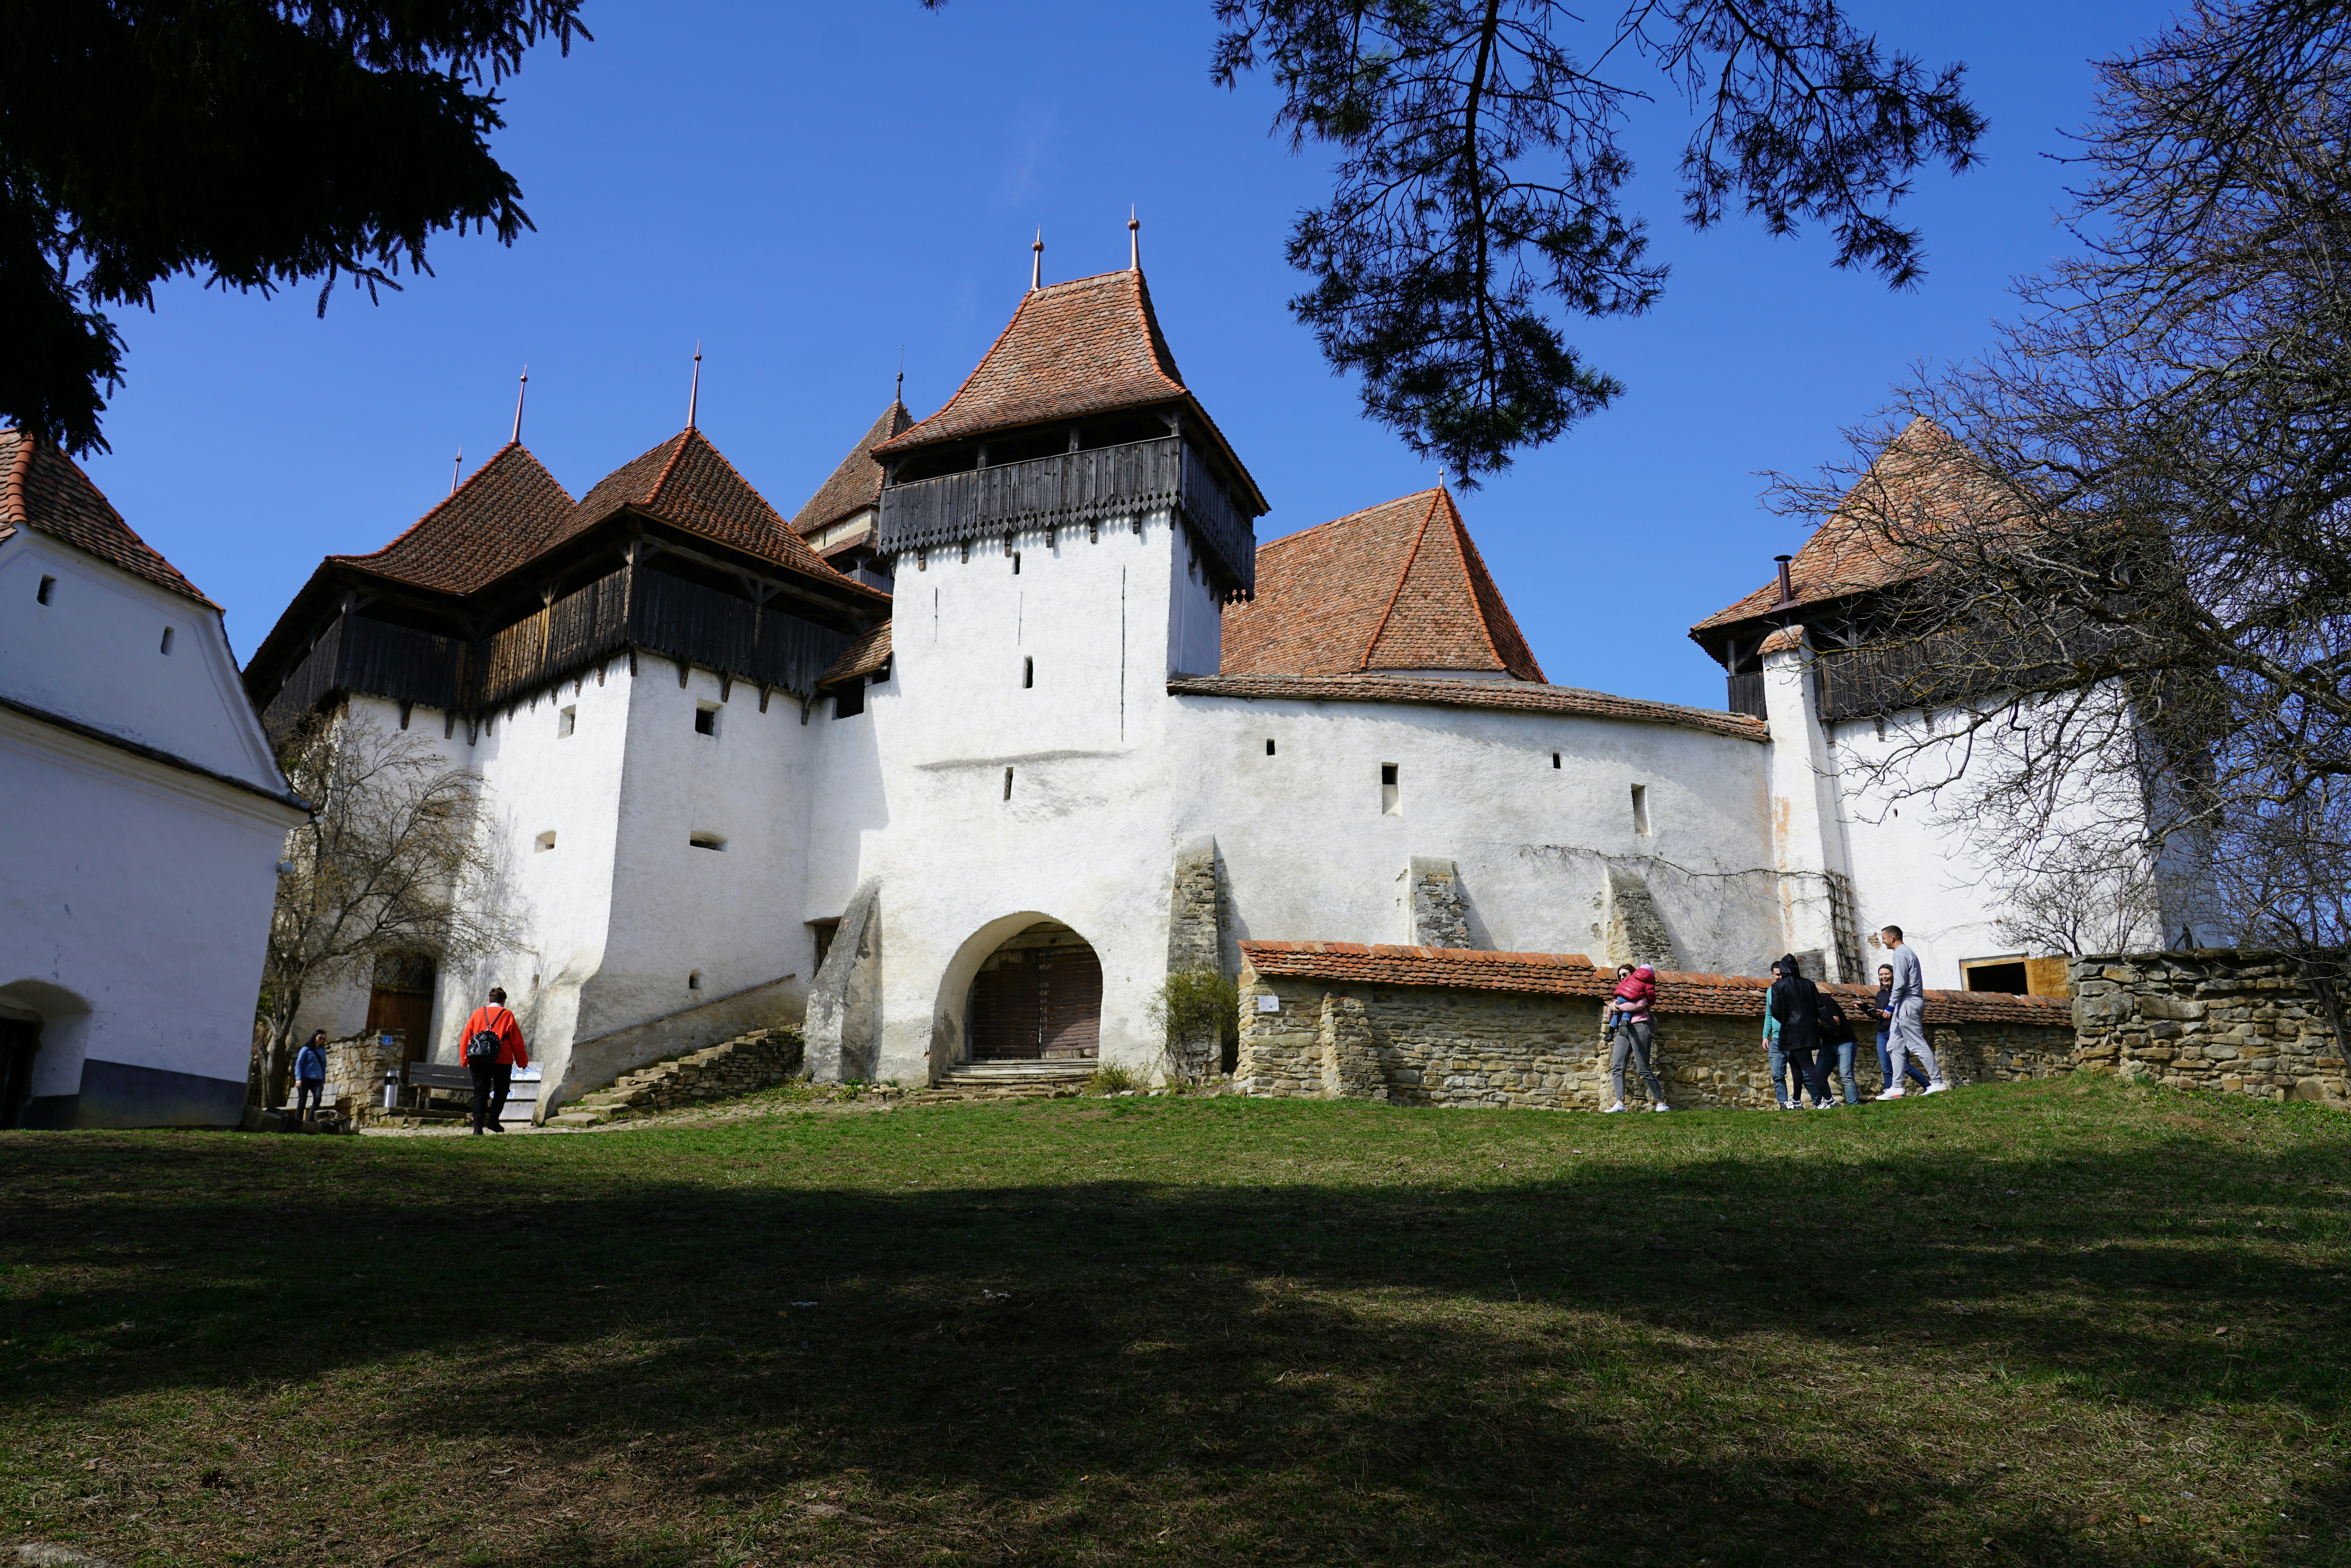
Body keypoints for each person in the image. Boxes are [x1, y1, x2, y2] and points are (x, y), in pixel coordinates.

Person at [1875, 926, 1949, 1099]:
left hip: (1907, 1004)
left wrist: (1890, 1007)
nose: (1883, 941)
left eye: (1884, 938)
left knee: (1917, 1044)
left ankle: (1938, 1083)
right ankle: (1897, 1088)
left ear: (1892, 938)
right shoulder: (1905, 952)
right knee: (1894, 1045)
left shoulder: (1901, 953)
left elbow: (1899, 984)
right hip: (1903, 1005)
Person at [1767, 953, 1837, 1109]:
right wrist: (1831, 1026)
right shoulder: (1809, 984)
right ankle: (1797, 1101)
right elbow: (1820, 1007)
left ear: (1783, 970)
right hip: (1809, 1030)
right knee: (1796, 1065)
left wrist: (1787, 1021)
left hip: (1792, 1032)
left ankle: (1829, 1100)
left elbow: (1775, 1011)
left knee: (1808, 1066)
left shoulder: (1778, 986)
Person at [459, 987, 529, 1135]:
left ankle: (477, 1127)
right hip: (501, 1059)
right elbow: (516, 1040)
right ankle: (494, 1121)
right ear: (503, 1001)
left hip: (478, 1058)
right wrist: (522, 1062)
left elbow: (467, 1035)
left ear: (489, 1000)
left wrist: (464, 1059)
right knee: (502, 1090)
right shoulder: (507, 1014)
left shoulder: (478, 1013)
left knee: (480, 1091)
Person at [1603, 963, 1668, 1112]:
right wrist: (1611, 1007)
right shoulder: (1620, 995)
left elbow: (1639, 1006)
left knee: (1643, 1068)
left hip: (1640, 1027)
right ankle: (1620, 1104)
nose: (1622, 978)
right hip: (1622, 1030)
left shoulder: (1642, 989)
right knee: (1618, 1067)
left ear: (1633, 974)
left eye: (1625, 974)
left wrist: (1618, 1007)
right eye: (1620, 976)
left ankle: (1661, 1103)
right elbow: (1611, 1017)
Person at [1865, 962, 1932, 1096]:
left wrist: (1887, 1013)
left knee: (1905, 1065)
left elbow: (1900, 1012)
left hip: (1897, 1031)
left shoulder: (1899, 993)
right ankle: (1892, 1095)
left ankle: (1929, 1086)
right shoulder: (1880, 994)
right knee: (1886, 1068)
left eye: (1887, 974)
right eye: (1881, 975)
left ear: (1894, 975)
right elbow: (1879, 1016)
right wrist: (1863, 1007)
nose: (1884, 977)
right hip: (1882, 1033)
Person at [292, 1030, 327, 1122]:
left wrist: (323, 1081)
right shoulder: (306, 1050)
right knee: (302, 1101)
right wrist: (298, 1078)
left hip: (318, 1079)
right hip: (305, 1078)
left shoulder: (323, 1052)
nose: (322, 1040)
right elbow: (299, 1064)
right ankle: (298, 1123)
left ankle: (310, 1120)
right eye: (320, 1038)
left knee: (318, 1098)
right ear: (315, 1037)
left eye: (324, 1039)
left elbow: (323, 1067)